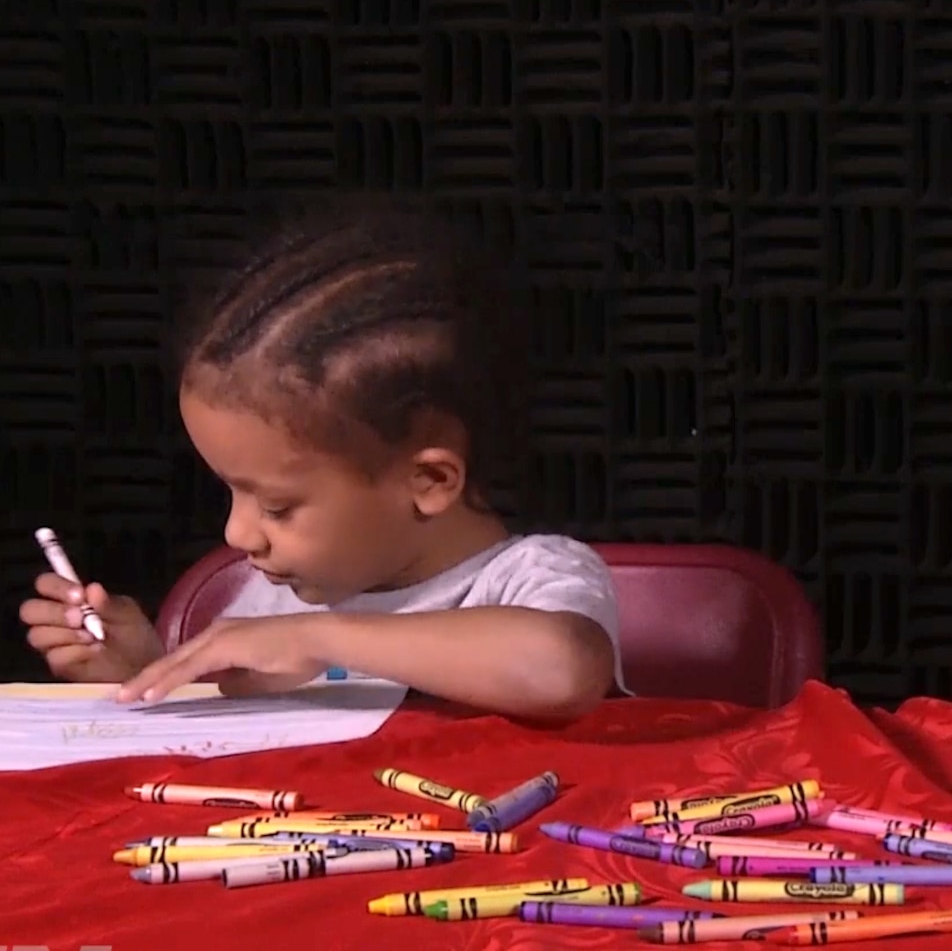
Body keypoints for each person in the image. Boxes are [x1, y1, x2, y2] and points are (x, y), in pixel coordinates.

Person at [20, 202, 623, 720]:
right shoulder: (275, 599)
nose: (237, 534)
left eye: (277, 506)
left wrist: (314, 637)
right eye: (232, 493)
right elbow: (243, 738)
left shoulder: (528, 576)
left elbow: (560, 671)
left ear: (429, 480)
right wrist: (150, 672)